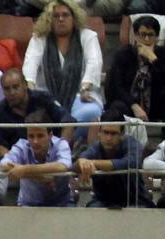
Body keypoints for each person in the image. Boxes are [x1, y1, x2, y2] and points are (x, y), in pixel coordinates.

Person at [21, 0, 102, 137]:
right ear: (49, 19)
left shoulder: (88, 36)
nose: (61, 19)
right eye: (56, 16)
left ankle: (67, 145)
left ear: (74, 18)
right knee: (38, 116)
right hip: (47, 98)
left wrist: (85, 87)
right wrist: (30, 86)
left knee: (91, 112)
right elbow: (30, 64)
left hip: (79, 95)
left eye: (65, 15)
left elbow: (94, 63)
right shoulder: (39, 38)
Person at [104, 17, 165, 127]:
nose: (146, 39)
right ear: (136, 36)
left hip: (155, 105)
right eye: (143, 34)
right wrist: (134, 105)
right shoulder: (123, 54)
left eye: (151, 35)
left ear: (157, 37)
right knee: (117, 106)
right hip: (129, 105)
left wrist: (153, 60)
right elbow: (117, 86)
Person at [2, 112, 74, 208]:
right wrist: (40, 177)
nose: (35, 141)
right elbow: (4, 164)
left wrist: (24, 170)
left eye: (40, 136)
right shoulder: (22, 145)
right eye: (31, 136)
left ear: (50, 135)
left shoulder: (60, 143)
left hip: (61, 204)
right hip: (28, 204)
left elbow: (63, 165)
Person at [0, 68, 63, 158]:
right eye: (7, 89)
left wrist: (60, 149)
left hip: (51, 157)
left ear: (25, 85)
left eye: (16, 87)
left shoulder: (44, 99)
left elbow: (68, 123)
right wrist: (12, 159)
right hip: (16, 161)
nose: (12, 92)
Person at [78, 123, 148, 209]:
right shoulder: (95, 147)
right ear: (99, 133)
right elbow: (78, 162)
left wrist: (93, 163)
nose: (109, 138)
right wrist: (81, 162)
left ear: (122, 134)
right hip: (103, 201)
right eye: (105, 132)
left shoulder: (133, 144)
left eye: (113, 133)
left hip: (135, 200)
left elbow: (131, 162)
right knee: (92, 209)